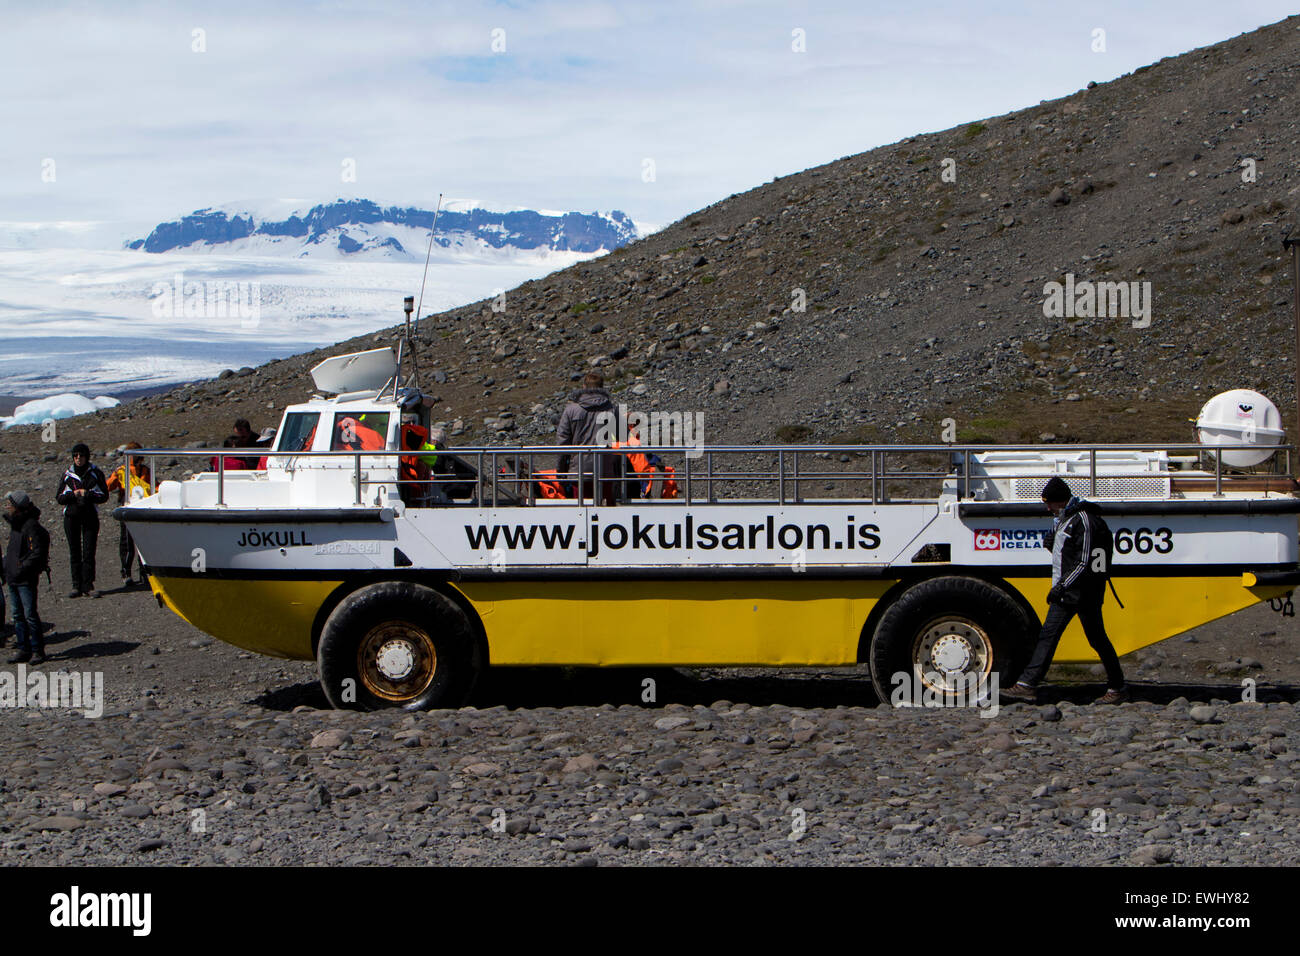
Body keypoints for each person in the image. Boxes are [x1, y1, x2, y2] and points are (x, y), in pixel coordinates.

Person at [1002, 476, 1129, 705]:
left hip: (1081, 592)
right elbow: (1065, 553)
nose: (1047, 507)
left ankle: (1027, 685)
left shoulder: (1083, 519)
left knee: (1067, 637)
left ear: (1060, 500)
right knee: (1080, 637)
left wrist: (1061, 586)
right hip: (1072, 590)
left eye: (1049, 502)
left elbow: (1083, 561)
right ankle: (1116, 686)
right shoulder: (1065, 519)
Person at [556, 372, 624, 505]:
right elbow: (622, 437)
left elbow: (562, 442)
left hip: (579, 470)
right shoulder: (612, 409)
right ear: (602, 388)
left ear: (583, 387)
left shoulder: (571, 410)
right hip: (604, 470)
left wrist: (561, 470)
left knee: (581, 509)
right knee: (606, 510)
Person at [56, 442, 109, 599]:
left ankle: (88, 585)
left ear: (87, 457)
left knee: (89, 551)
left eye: (81, 455)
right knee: (74, 551)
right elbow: (59, 497)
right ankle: (76, 585)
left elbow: (104, 496)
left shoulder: (95, 473)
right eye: (76, 456)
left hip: (89, 516)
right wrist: (73, 495)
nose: (78, 458)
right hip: (71, 517)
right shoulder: (67, 475)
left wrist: (87, 494)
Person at [4, 491, 48, 665]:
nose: (7, 507)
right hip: (14, 577)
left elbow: (37, 552)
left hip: (25, 578)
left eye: (10, 504)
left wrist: (22, 567)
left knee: (29, 614)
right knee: (17, 615)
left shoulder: (30, 526)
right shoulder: (16, 525)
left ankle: (37, 650)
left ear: (18, 507)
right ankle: (24, 648)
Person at [106, 442, 153, 586]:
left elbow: (153, 487)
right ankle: (128, 572)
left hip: (139, 509)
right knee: (129, 542)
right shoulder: (123, 471)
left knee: (138, 542)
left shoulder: (144, 471)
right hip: (130, 509)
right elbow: (108, 486)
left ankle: (140, 573)